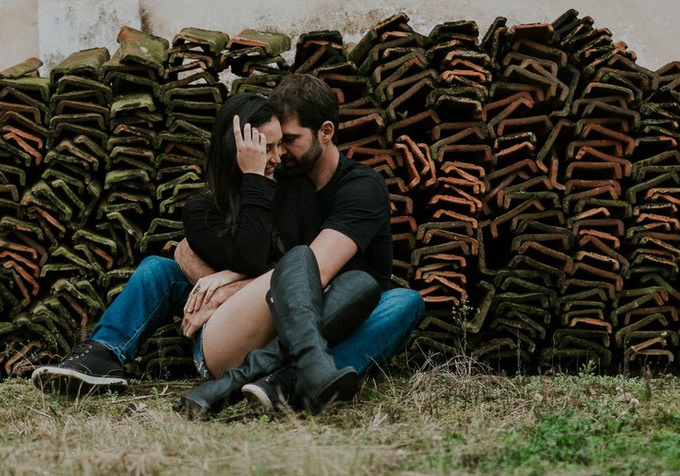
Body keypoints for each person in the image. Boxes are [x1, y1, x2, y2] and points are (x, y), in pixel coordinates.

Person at [32, 76, 424, 413]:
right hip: (256, 318)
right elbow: (248, 255)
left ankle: (292, 379)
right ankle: (102, 352)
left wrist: (228, 286)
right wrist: (209, 269)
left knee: (401, 301)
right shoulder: (268, 187)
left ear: (325, 131)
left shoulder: (357, 189)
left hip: (339, 310)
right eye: (270, 145)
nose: (279, 155)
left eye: (287, 141)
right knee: (160, 268)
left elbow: (312, 269)